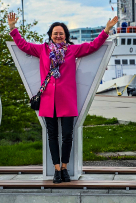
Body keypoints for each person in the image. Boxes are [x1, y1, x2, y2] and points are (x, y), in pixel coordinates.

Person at [9, 13, 118, 183]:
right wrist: (13, 28)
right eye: (55, 33)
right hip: (48, 100)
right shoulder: (42, 50)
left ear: (66, 35)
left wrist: (106, 30)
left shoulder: (72, 50)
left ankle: (65, 167)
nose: (58, 36)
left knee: (67, 135)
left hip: (67, 100)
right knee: (52, 136)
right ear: (50, 35)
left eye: (61, 33)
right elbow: (23, 46)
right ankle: (57, 170)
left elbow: (93, 46)